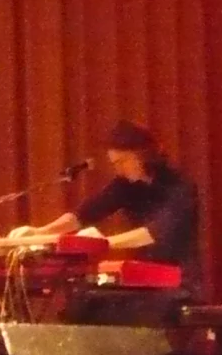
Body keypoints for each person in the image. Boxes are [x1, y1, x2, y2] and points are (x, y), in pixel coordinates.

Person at [16, 120, 201, 290]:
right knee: (85, 308)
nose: (118, 169)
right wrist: (41, 231)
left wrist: (99, 244)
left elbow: (153, 233)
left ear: (144, 154)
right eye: (114, 163)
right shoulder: (125, 184)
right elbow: (85, 213)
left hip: (179, 281)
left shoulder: (181, 187)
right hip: (145, 275)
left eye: (123, 161)